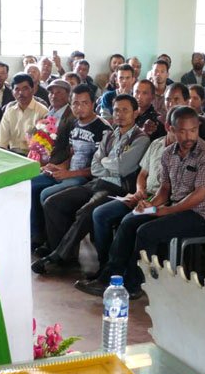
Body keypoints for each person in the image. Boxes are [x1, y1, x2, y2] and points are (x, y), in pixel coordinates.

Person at [74, 107, 205, 299]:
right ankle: (109, 277)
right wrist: (149, 205)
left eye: (193, 130)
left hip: (199, 215)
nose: (188, 136)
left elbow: (200, 195)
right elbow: (165, 189)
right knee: (129, 220)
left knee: (146, 232)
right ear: (172, 129)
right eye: (182, 131)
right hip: (174, 207)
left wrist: (166, 210)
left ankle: (135, 285)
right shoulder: (168, 153)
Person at [32, 94, 150, 274]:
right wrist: (108, 163)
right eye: (117, 110)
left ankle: (55, 257)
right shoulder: (110, 135)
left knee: (87, 211)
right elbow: (95, 168)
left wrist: (105, 162)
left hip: (118, 188)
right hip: (97, 182)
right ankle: (65, 255)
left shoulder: (140, 139)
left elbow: (123, 167)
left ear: (136, 113)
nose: (120, 114)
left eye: (125, 110)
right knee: (53, 202)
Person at [30, 84, 110, 248]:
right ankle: (38, 235)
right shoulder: (74, 123)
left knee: (47, 194)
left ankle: (56, 246)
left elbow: (99, 168)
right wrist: (59, 166)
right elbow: (72, 153)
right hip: (69, 172)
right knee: (32, 183)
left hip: (86, 178)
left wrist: (70, 174)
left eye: (84, 103)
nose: (79, 108)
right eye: (75, 103)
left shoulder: (102, 128)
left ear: (93, 103)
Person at [0, 73, 49, 154]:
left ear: (33, 90)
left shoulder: (42, 111)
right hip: (12, 154)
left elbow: (44, 147)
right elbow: (1, 143)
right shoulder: (10, 112)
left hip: (33, 156)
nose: (21, 93)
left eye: (25, 89)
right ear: (12, 92)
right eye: (17, 89)